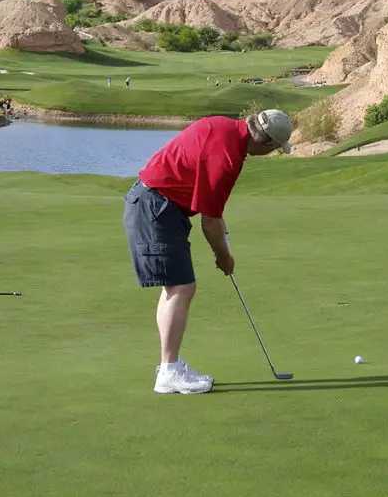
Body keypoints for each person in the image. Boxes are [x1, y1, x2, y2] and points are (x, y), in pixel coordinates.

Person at [122, 109, 294, 395]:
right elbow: (210, 220)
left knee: (176, 288)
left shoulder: (223, 126)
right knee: (181, 287)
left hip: (156, 204)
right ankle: (169, 372)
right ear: (266, 144)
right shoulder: (227, 157)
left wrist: (224, 244)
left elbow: (213, 212)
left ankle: (169, 367)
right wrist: (223, 257)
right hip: (156, 207)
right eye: (276, 148)